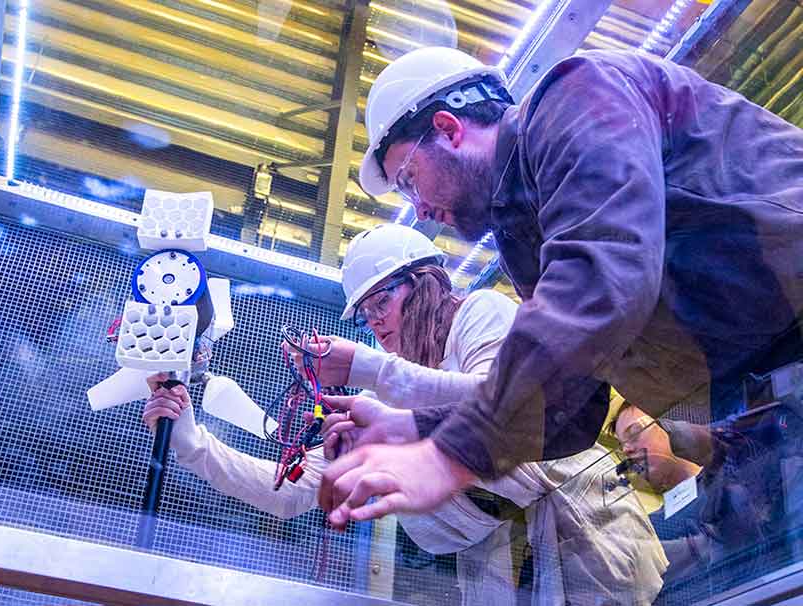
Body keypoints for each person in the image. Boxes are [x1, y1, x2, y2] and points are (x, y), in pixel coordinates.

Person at [318, 46, 803, 527]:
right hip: (765, 401)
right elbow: (570, 411)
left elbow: (605, 272)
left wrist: (450, 455)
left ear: (449, 129)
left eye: (409, 179)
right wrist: (412, 428)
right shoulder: (521, 235)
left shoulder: (576, 95)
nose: (419, 209)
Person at [144, 223, 666, 605]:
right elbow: (292, 492)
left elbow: (502, 404)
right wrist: (193, 443)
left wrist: (373, 370)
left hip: (584, 531)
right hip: (502, 564)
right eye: (365, 315)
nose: (374, 324)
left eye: (380, 305)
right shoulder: (390, 401)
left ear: (425, 282)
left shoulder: (479, 315)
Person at [610, 401, 785, 600]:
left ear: (674, 425)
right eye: (621, 446)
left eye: (634, 433)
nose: (627, 450)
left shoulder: (737, 477)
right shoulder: (650, 527)